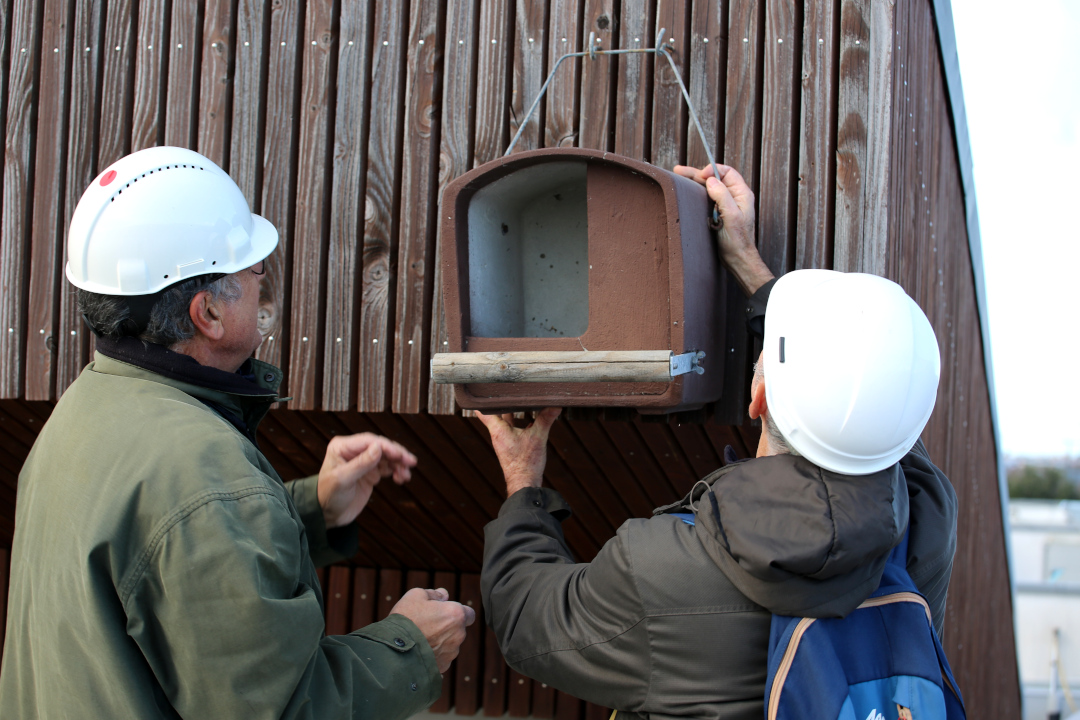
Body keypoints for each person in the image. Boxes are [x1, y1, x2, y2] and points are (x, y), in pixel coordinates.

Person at [0, 146, 474, 719]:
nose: (262, 289)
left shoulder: (84, 410)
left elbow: (163, 561)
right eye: (255, 274)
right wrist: (409, 651)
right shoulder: (204, 472)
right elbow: (280, 711)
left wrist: (311, 508)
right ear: (209, 314)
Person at [477, 163, 957, 719]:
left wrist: (522, 477)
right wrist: (751, 269)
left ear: (758, 399)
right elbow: (868, 398)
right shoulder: (927, 518)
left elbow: (526, 620)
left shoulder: (660, 571)